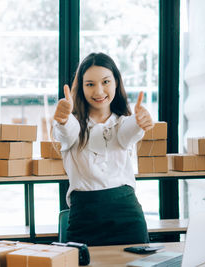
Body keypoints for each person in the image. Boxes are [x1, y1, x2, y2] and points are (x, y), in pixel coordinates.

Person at [52, 52, 154, 246]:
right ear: (81, 88)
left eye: (106, 82)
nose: (99, 92)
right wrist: (63, 119)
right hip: (85, 218)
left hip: (127, 216)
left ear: (116, 82)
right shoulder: (72, 124)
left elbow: (128, 133)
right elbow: (65, 132)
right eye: (90, 84)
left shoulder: (123, 123)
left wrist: (140, 122)